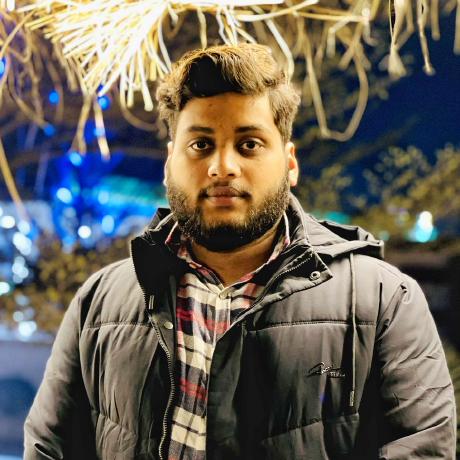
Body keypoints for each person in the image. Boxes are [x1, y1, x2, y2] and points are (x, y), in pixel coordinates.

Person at [24, 43, 456, 460]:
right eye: (201, 145)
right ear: (170, 163)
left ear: (289, 163)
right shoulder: (99, 302)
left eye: (248, 144)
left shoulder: (383, 300)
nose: (222, 167)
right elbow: (49, 448)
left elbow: (422, 449)